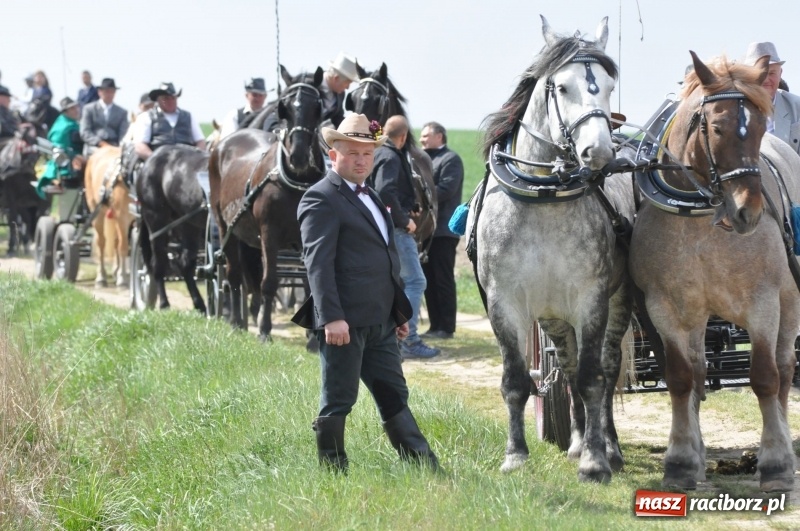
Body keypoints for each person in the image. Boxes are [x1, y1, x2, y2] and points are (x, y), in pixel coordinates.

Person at [293, 113, 440, 473]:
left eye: (367, 154)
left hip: (381, 322)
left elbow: (385, 260)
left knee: (394, 394)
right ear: (333, 155)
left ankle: (424, 469)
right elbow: (319, 265)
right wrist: (331, 317)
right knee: (339, 399)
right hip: (344, 323)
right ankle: (333, 473)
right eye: (352, 153)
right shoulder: (320, 199)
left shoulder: (373, 196)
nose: (361, 160)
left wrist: (398, 313)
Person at [371, 115, 441, 359]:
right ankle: (409, 339)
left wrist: (408, 206)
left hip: (387, 229)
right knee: (415, 282)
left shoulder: (381, 152)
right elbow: (385, 192)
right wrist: (405, 220)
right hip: (397, 230)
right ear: (403, 137)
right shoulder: (390, 156)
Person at [419, 121, 464, 340]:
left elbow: (446, 189)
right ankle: (434, 325)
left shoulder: (450, 159)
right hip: (425, 230)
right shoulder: (423, 158)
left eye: (426, 135)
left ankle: (446, 327)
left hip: (444, 230)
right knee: (428, 279)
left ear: (440, 136)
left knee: (442, 278)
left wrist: (417, 195)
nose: (422, 139)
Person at [744, 41, 800, 154]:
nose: (765, 80)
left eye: (772, 73)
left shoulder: (797, 107)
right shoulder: (733, 107)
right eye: (760, 73)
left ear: (780, 74)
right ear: (748, 76)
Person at [131, 82, 205, 161]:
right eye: (166, 98)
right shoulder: (146, 117)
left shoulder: (188, 116)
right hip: (159, 163)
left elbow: (200, 141)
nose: (170, 101)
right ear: (158, 100)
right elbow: (140, 146)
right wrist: (154, 160)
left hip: (186, 162)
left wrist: (195, 158)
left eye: (173, 98)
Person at [36, 97, 84, 198]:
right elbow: (59, 149)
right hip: (67, 162)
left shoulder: (76, 124)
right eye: (72, 109)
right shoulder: (62, 127)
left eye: (77, 108)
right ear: (65, 112)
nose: (76, 111)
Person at [79, 78, 129, 154]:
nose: (109, 94)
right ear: (100, 92)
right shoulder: (89, 109)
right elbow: (85, 131)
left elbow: (123, 133)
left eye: (112, 91)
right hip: (94, 147)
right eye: (106, 91)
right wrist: (100, 143)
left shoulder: (122, 112)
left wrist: (120, 146)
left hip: (114, 146)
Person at [321, 52, 358, 127]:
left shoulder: (340, 94)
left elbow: (337, 118)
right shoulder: (311, 84)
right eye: (347, 83)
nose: (348, 88)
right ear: (336, 78)